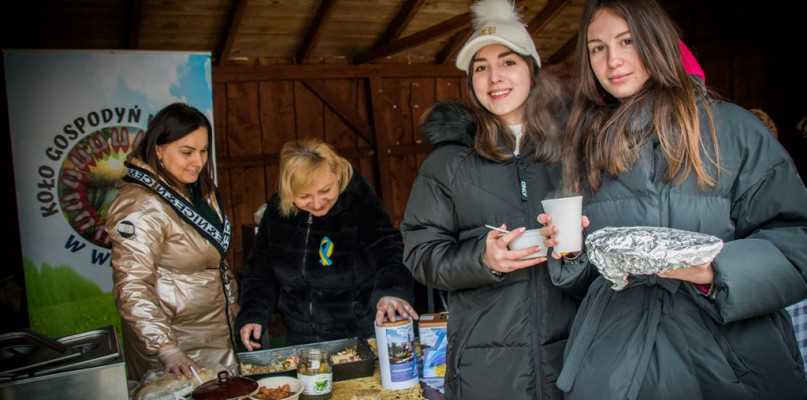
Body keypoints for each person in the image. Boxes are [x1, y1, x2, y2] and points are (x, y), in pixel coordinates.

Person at [546, 0, 807, 398]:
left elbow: (798, 241)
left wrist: (715, 272)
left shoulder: (734, 130)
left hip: (728, 361)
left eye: (627, 40)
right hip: (614, 363)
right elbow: (585, 278)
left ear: (656, 41)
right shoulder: (585, 145)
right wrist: (569, 252)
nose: (613, 59)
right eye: (597, 47)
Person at [400, 0, 594, 398]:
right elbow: (420, 254)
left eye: (507, 62)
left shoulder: (574, 148)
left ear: (531, 70)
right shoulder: (448, 163)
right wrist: (482, 259)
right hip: (485, 367)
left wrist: (576, 252)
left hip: (574, 355)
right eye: (480, 68)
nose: (494, 78)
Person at [236, 138, 417, 350]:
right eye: (304, 196)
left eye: (325, 191)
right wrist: (252, 313)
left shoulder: (358, 202)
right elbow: (260, 269)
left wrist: (391, 291)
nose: (317, 203)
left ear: (337, 174)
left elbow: (388, 248)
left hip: (359, 339)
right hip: (300, 342)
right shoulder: (277, 214)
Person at [106, 103, 239, 382]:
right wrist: (166, 349)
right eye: (187, 152)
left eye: (203, 150)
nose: (198, 161)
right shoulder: (140, 205)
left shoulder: (200, 189)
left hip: (216, 330)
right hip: (177, 343)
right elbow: (131, 285)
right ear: (158, 149)